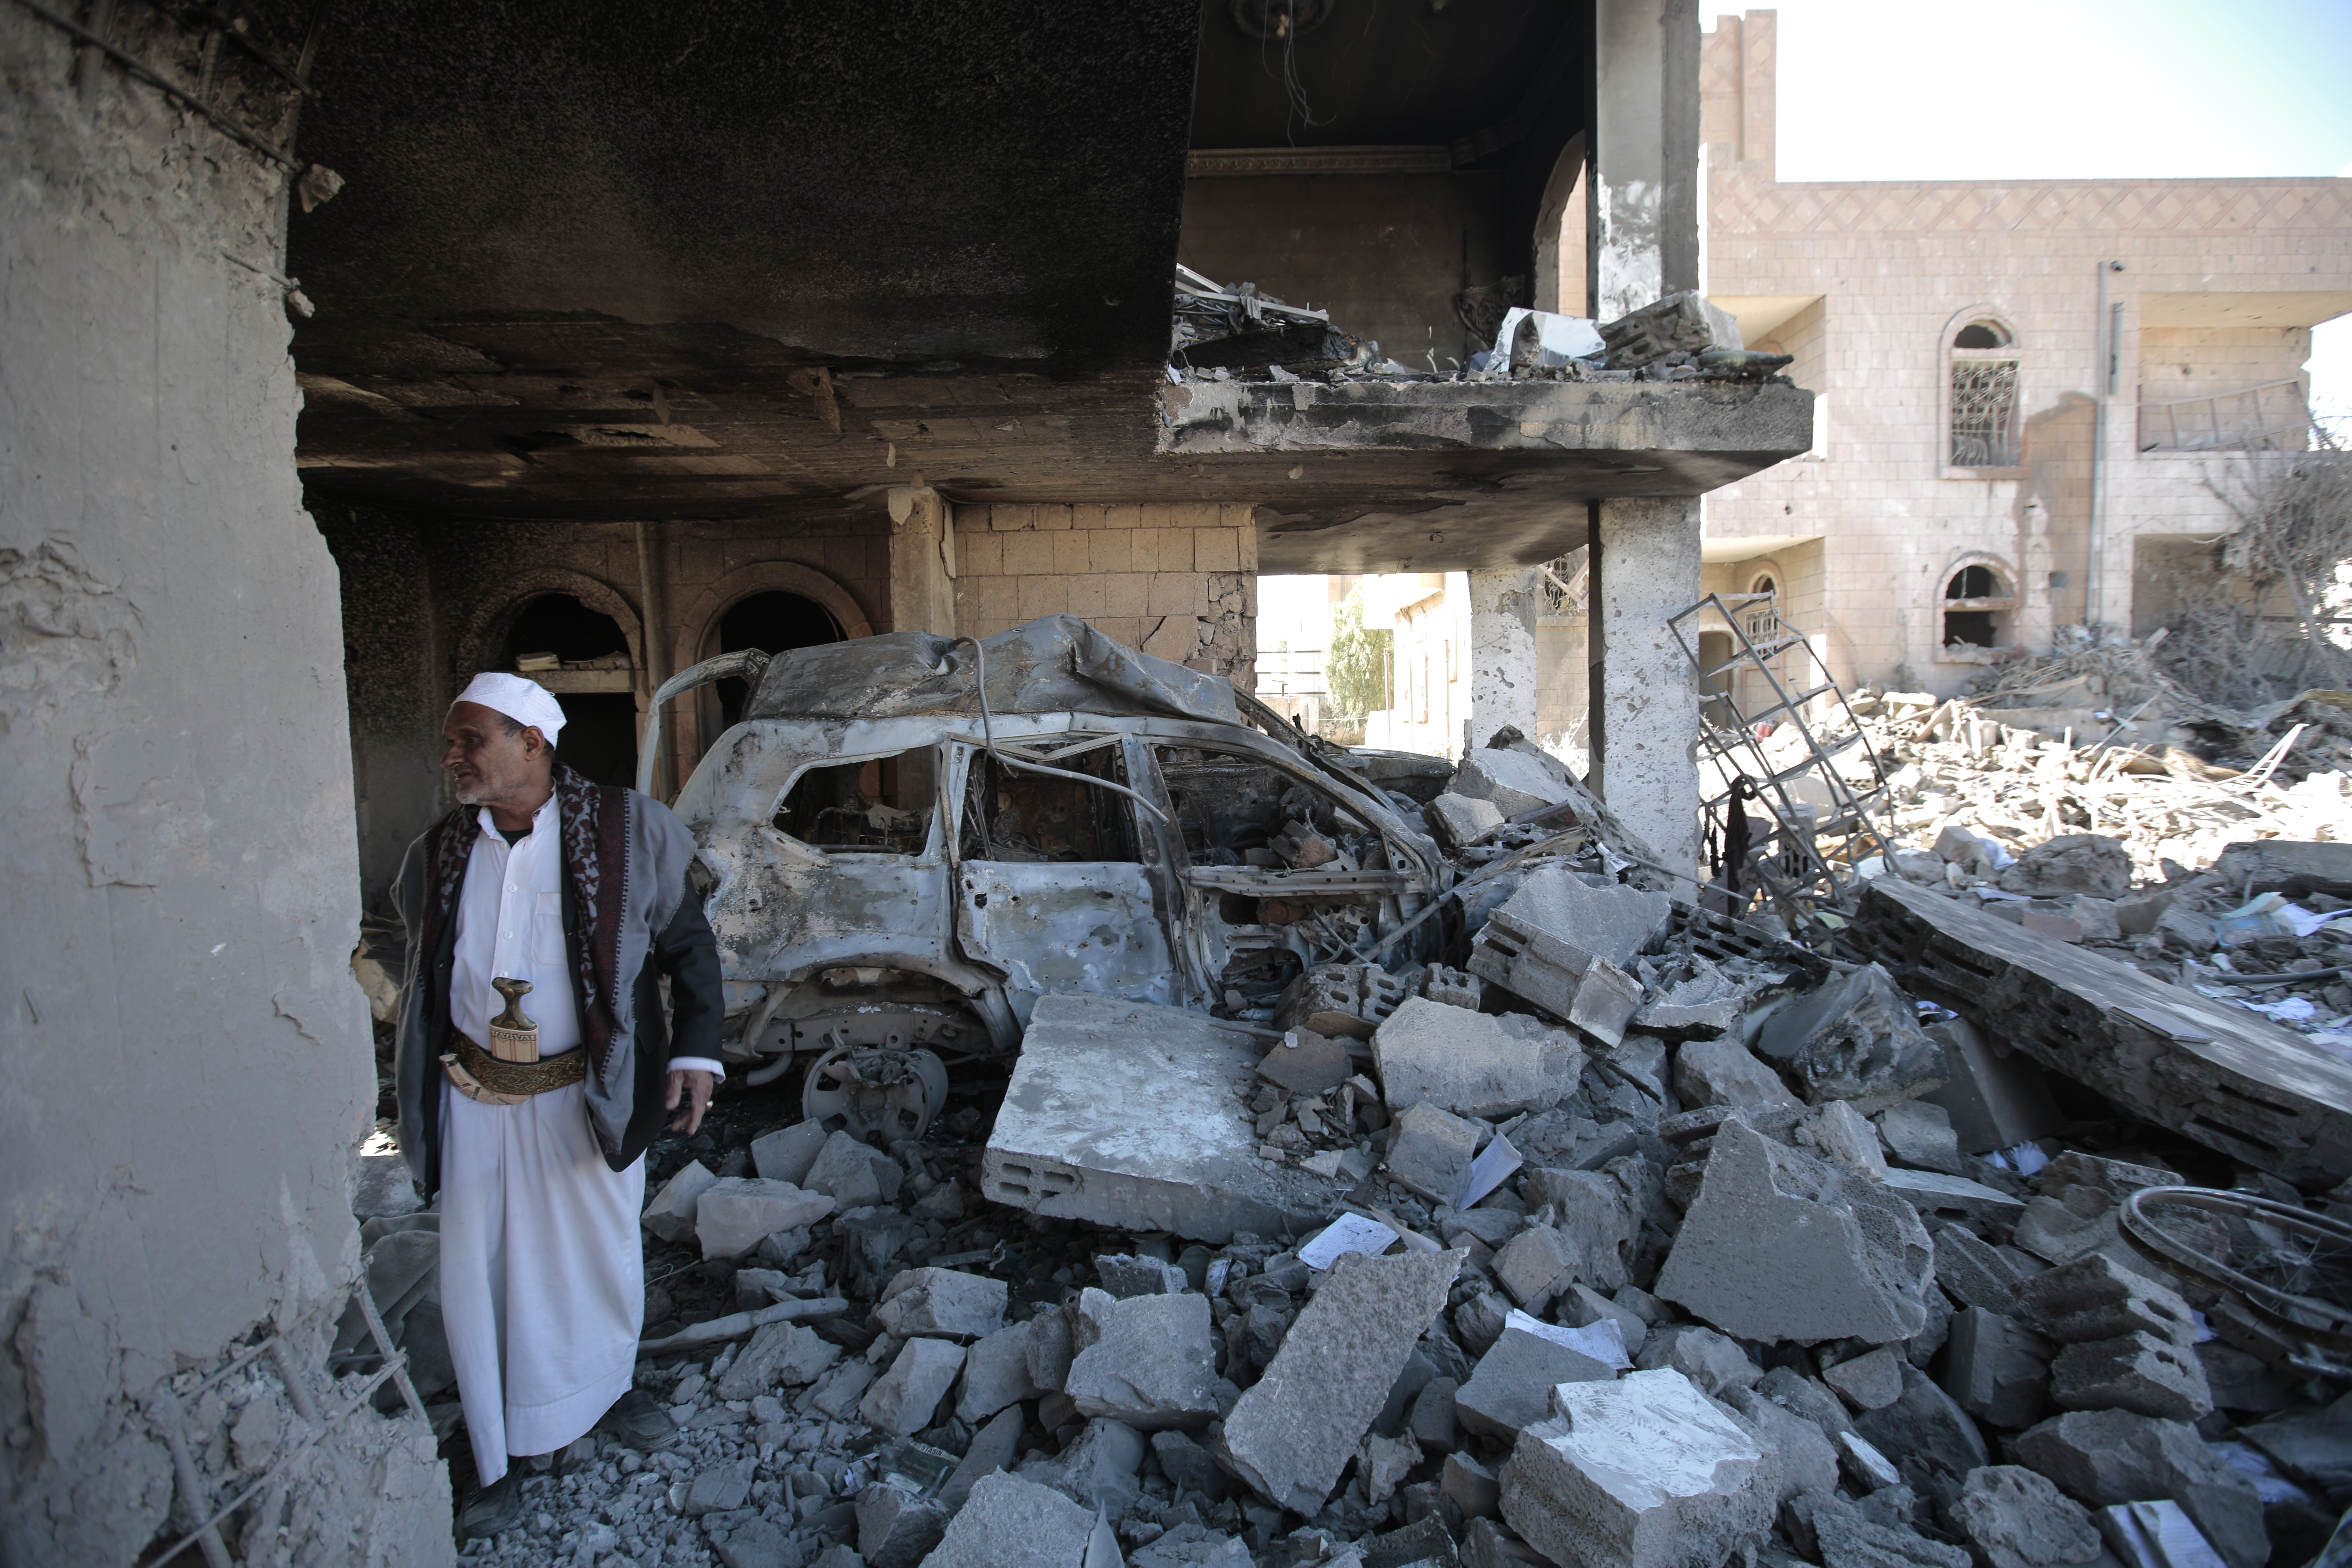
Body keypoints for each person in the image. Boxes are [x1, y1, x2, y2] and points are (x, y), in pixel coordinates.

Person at [390, 673, 725, 1539]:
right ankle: (494, 1448)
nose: (453, 757)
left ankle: (606, 1391)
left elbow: (689, 946)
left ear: (531, 743)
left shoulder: (630, 829)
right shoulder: (441, 849)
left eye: (471, 740)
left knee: (595, 1257)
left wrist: (695, 1051)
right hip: (472, 1098)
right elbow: (416, 953)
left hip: (586, 1095)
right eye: (452, 742)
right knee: (481, 1269)